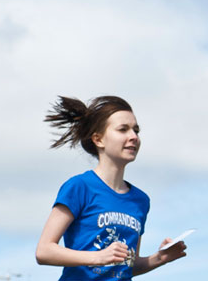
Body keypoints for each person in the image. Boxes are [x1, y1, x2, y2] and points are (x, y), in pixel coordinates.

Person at [35, 96, 187, 280]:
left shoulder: (140, 200)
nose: (134, 137)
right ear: (98, 139)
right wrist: (97, 257)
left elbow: (127, 264)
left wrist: (159, 258)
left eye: (136, 130)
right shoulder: (79, 187)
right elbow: (44, 251)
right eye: (123, 129)